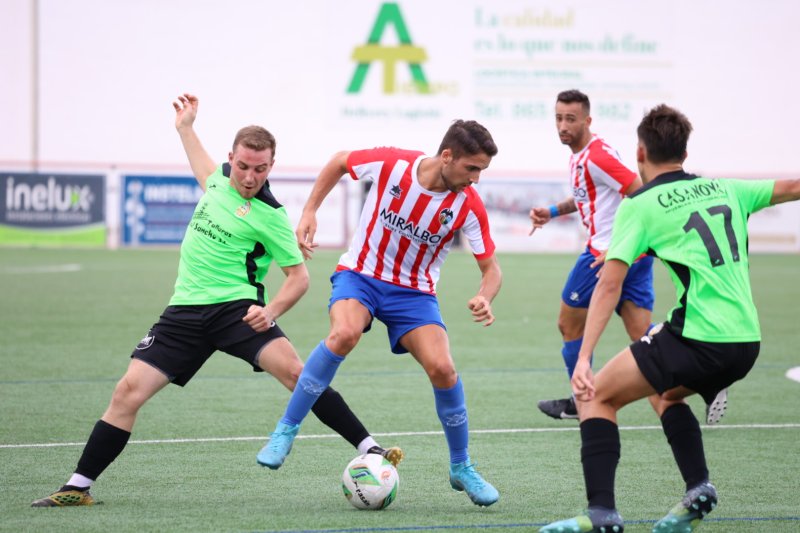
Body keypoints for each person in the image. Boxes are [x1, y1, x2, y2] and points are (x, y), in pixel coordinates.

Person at [31, 93, 401, 508]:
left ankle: (369, 446)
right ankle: (77, 487)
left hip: (237, 313)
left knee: (300, 375)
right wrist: (186, 127)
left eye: (260, 169)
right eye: (242, 166)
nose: (249, 177)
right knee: (127, 393)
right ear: (232, 159)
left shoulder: (272, 216)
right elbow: (199, 161)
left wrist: (271, 310)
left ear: (271, 167)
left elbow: (299, 278)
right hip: (184, 314)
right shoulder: (216, 181)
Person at [540, 104, 800, 532]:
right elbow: (791, 185)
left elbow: (608, 285)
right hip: (747, 341)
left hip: (700, 337)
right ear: (684, 149)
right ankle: (698, 488)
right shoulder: (727, 188)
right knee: (666, 394)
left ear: (640, 152)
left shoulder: (641, 205)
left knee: (594, 396)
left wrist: (584, 358)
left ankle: (601, 512)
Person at [257, 120, 504, 507]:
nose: (475, 179)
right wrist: (309, 211)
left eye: (481, 171)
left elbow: (492, 269)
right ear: (447, 156)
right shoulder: (392, 166)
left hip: (414, 295)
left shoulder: (468, 204)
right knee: (344, 335)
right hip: (361, 276)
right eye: (471, 169)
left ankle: (461, 466)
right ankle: (285, 430)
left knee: (444, 369)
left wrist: (485, 296)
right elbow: (339, 161)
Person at [530, 89, 656, 422]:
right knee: (641, 332)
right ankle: (701, 374)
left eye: (570, 119)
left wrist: (620, 247)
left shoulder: (597, 156)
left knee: (568, 323)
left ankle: (581, 400)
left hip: (605, 253)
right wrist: (553, 211)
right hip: (636, 254)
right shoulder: (585, 153)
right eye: (558, 118)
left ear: (588, 120)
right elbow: (588, 196)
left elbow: (639, 193)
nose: (563, 126)